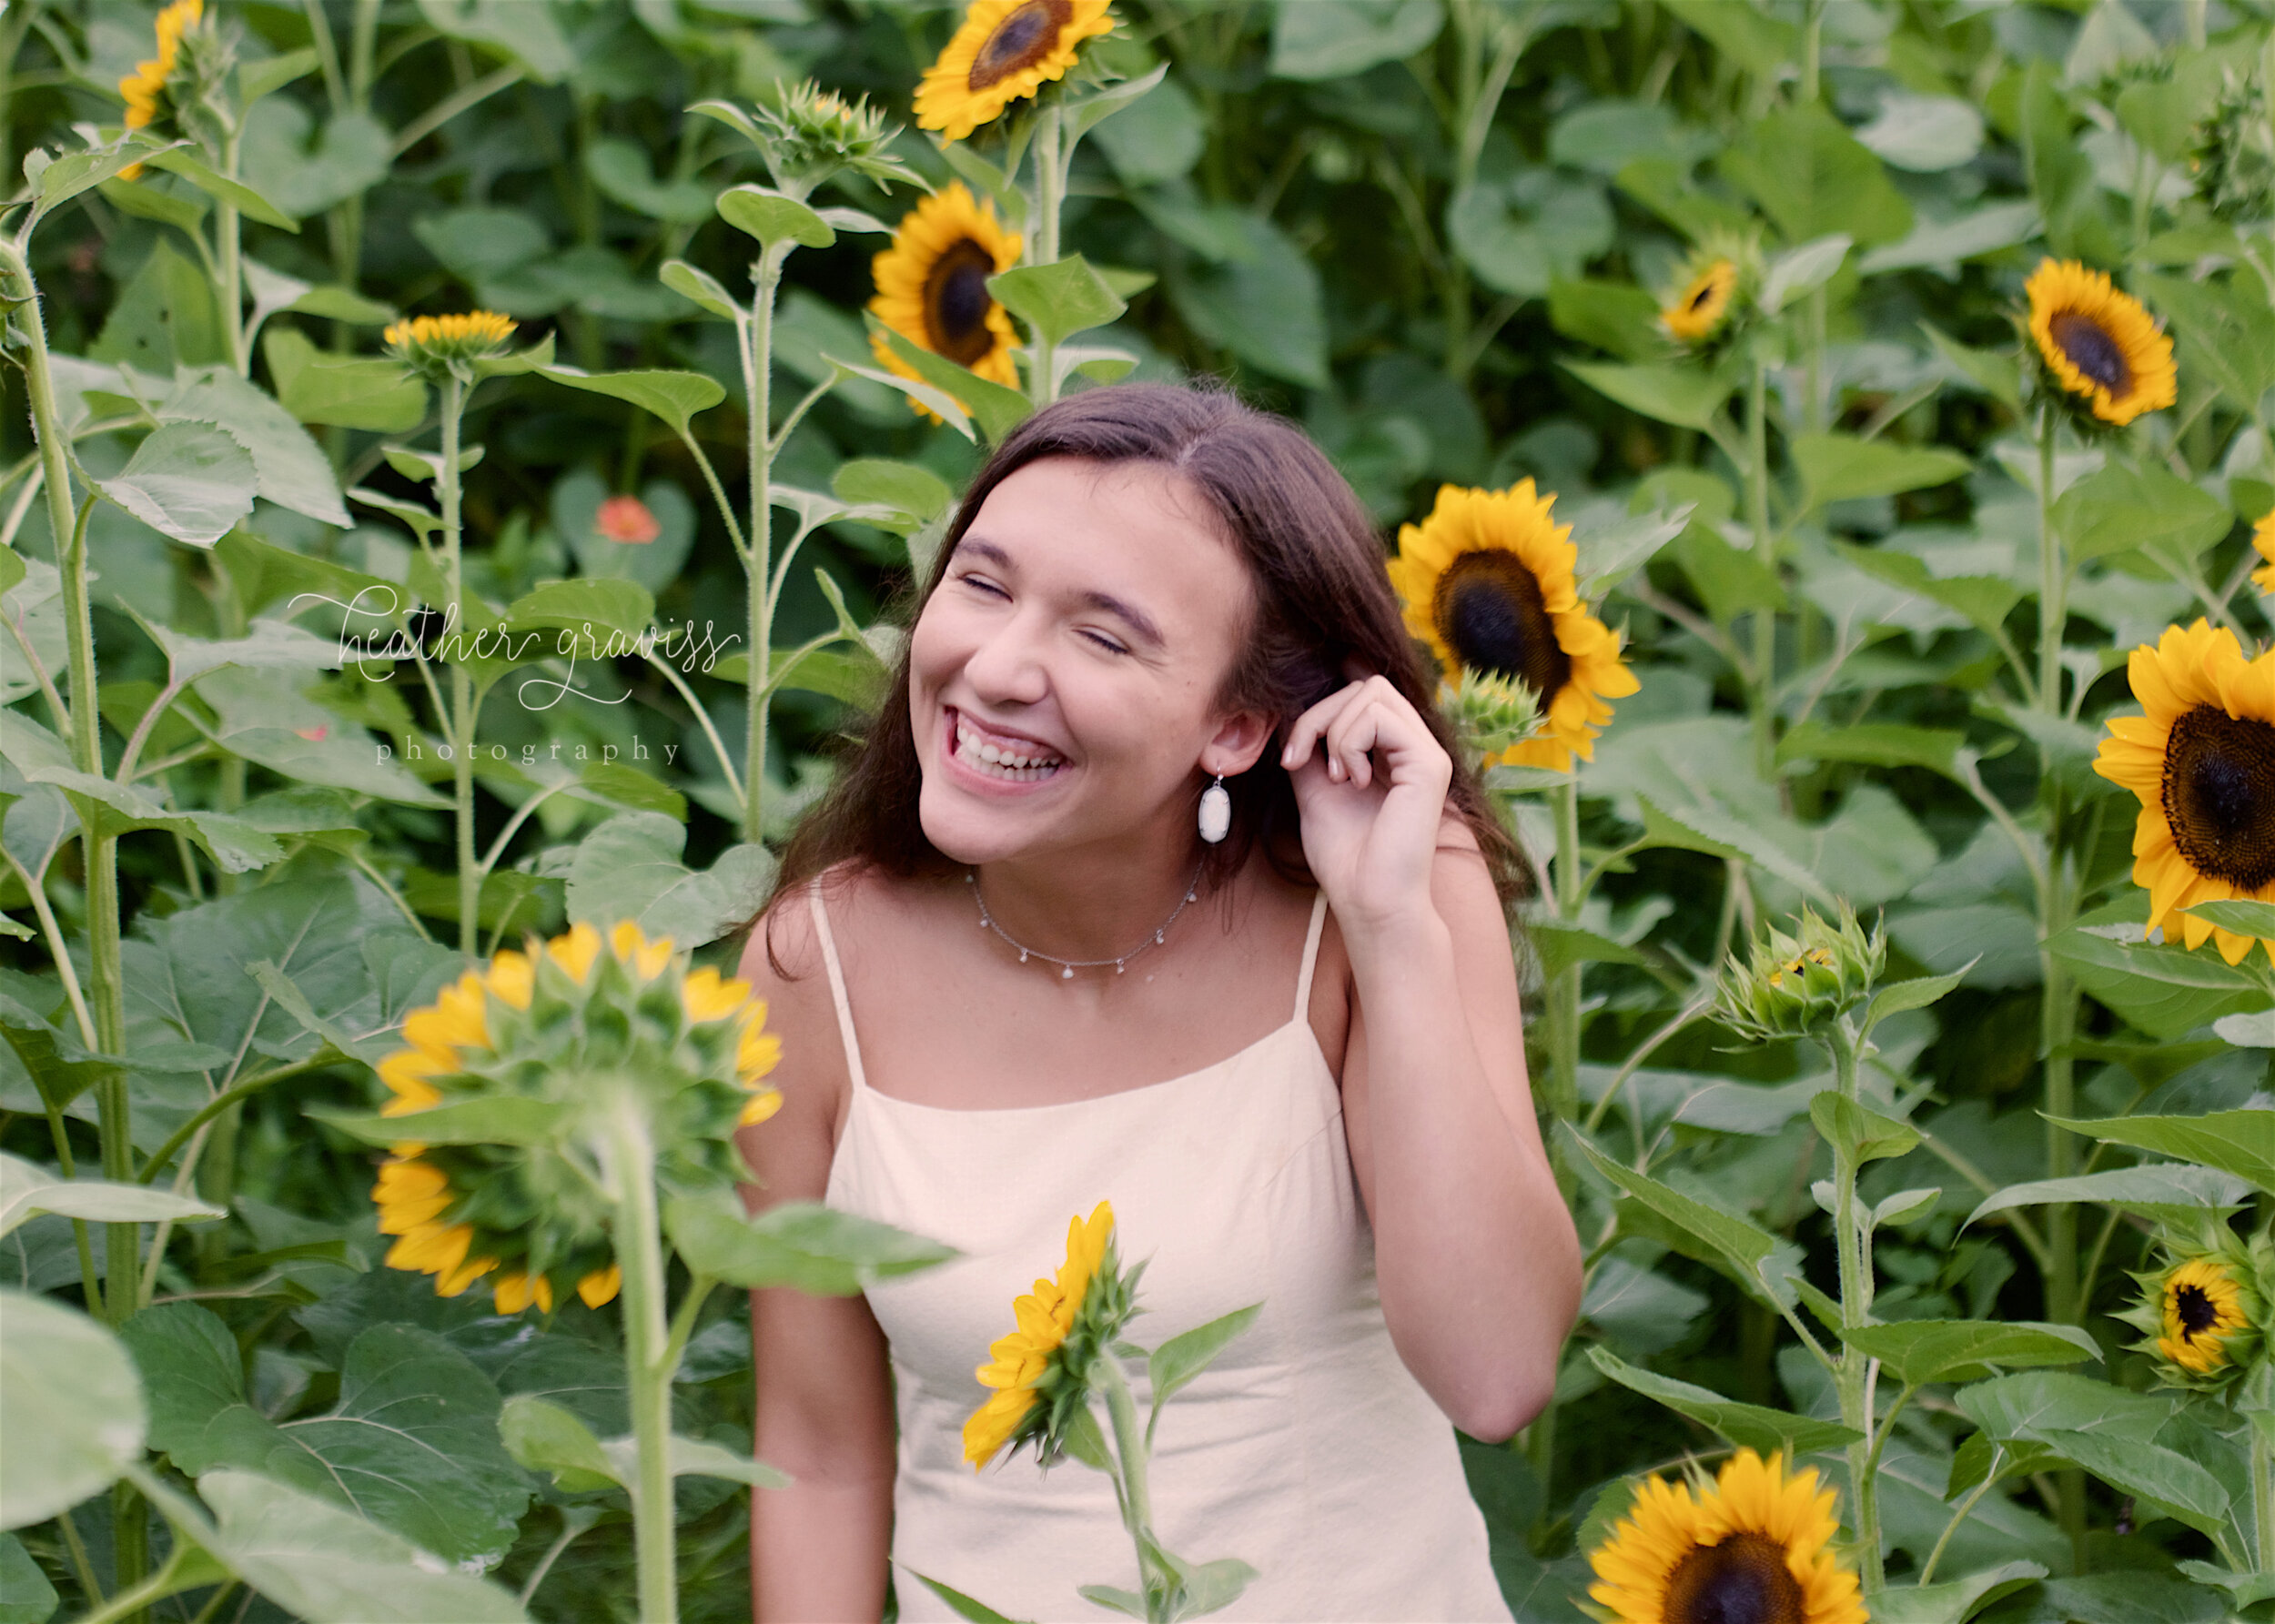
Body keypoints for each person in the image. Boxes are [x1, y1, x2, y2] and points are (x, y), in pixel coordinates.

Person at [737, 381, 1581, 1623]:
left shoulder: (1377, 903)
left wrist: (1391, 925)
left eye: (1103, 635)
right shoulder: (815, 969)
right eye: (981, 583)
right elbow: (817, 1456)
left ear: (1237, 727)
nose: (999, 665)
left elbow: (1497, 1371)